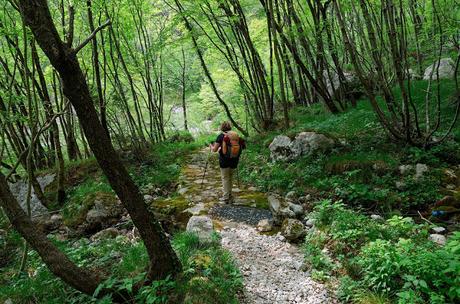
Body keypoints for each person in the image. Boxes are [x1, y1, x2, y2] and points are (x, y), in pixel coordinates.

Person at [210, 121, 246, 204]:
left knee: (225, 178)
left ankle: (226, 197)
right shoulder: (235, 136)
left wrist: (211, 146)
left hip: (224, 161)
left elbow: (214, 150)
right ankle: (230, 195)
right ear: (230, 127)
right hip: (234, 160)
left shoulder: (221, 136)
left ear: (222, 128)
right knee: (230, 177)